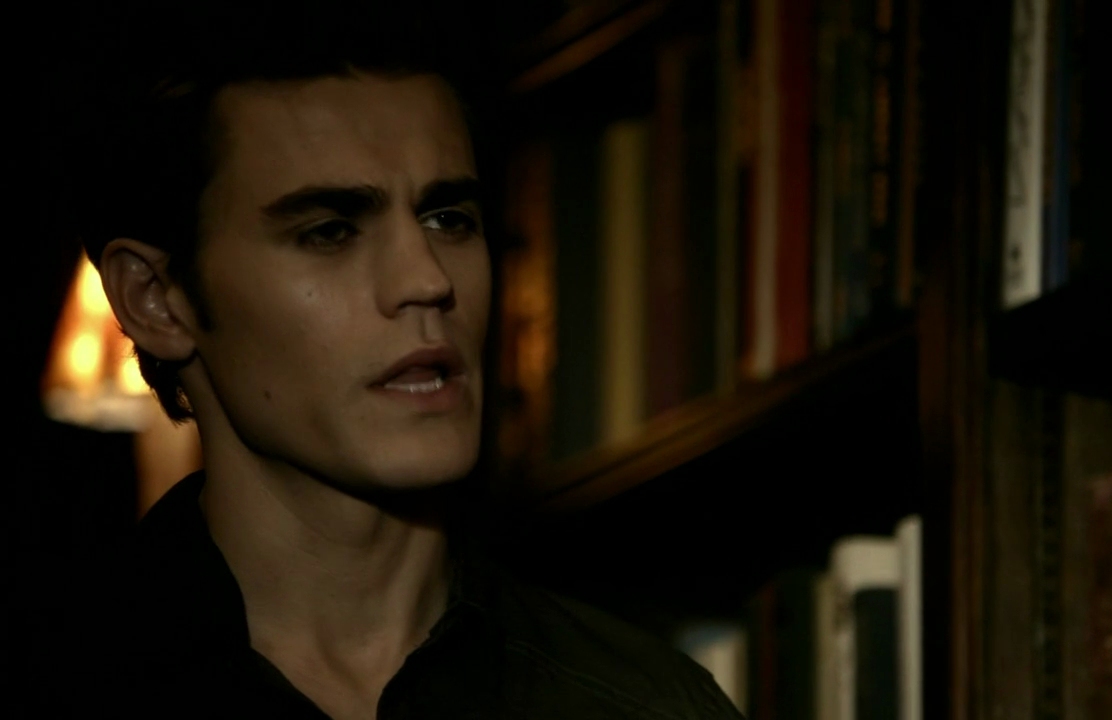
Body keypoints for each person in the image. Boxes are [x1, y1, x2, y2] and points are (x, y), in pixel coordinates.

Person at [45, 2, 743, 718]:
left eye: (449, 219)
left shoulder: (646, 704)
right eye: (331, 231)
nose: (427, 278)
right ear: (157, 300)